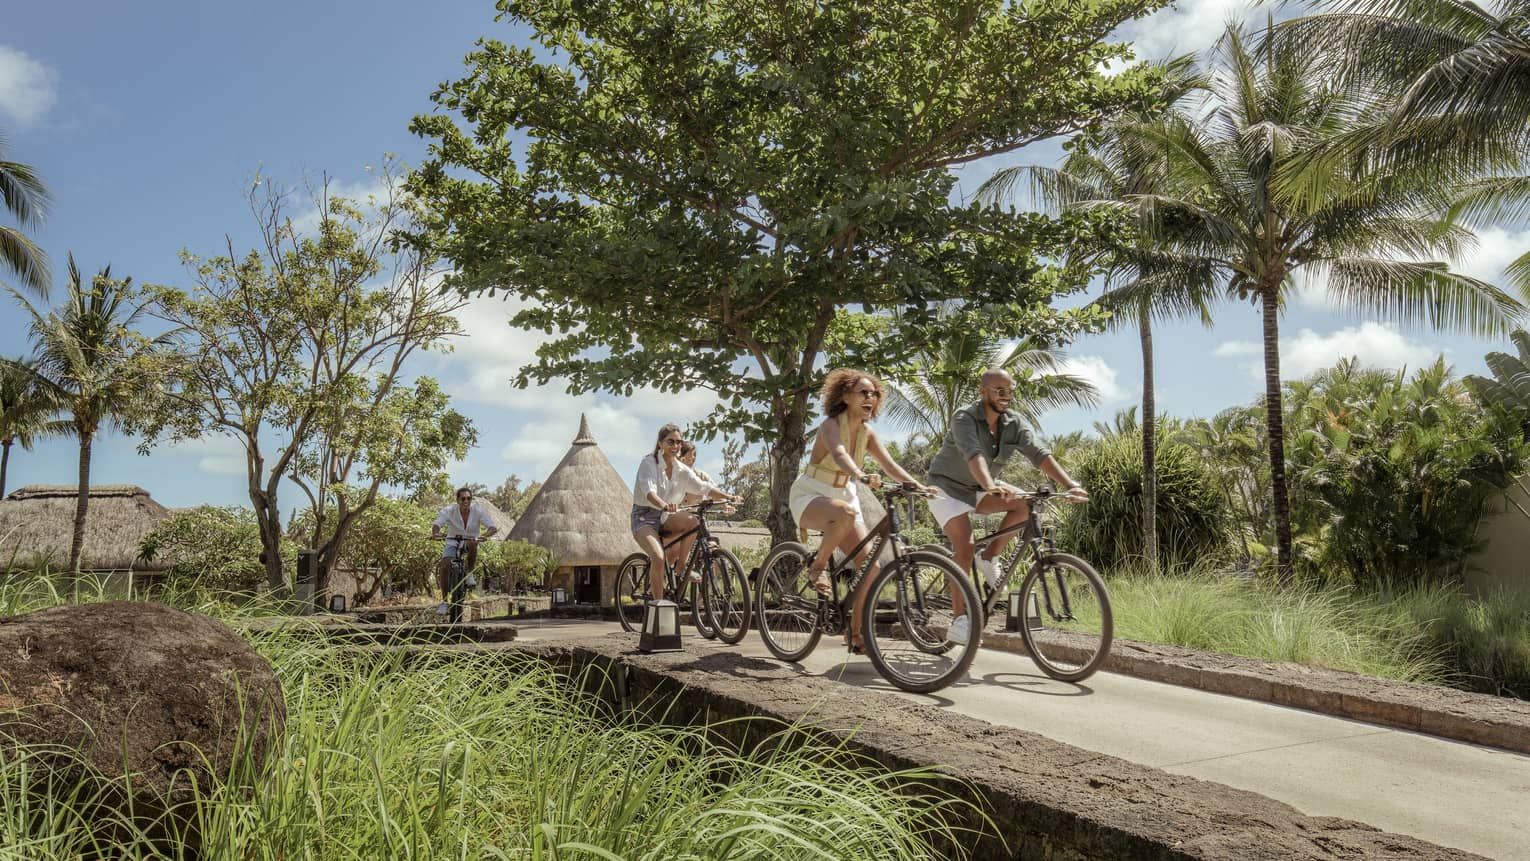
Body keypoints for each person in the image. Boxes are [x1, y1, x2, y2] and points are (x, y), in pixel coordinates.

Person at [926, 368, 1088, 642]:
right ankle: (959, 619)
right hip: (946, 488)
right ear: (983, 391)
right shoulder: (964, 417)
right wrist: (991, 484)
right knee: (964, 546)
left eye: (1010, 391)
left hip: (981, 487)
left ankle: (989, 556)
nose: (1006, 396)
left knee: (1027, 505)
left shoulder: (1014, 422)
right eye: (999, 391)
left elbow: (1039, 454)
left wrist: (1070, 484)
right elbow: (973, 455)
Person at [789, 368, 933, 653]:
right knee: (844, 513)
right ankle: (818, 568)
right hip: (812, 494)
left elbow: (890, 465)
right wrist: (860, 474)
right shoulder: (831, 425)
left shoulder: (867, 433)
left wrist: (919, 486)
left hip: (844, 496)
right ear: (844, 396)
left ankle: (854, 635)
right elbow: (840, 454)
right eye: (863, 392)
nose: (871, 397)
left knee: (871, 568)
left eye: (874, 393)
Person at [630, 423, 740, 600]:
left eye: (679, 442)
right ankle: (659, 606)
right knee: (658, 557)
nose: (675, 446)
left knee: (693, 522)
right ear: (660, 443)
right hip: (645, 516)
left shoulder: (682, 470)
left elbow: (703, 487)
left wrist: (728, 496)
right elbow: (649, 492)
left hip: (666, 515)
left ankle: (681, 567)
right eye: (670, 441)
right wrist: (664, 504)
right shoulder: (649, 463)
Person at [430, 486, 498, 614]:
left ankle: (469, 574)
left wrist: (484, 535)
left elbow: (492, 527)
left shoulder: (478, 511)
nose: (466, 501)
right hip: (452, 541)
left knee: (473, 543)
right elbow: (437, 524)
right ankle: (445, 602)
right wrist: (435, 533)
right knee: (444, 566)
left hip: (470, 542)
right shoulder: (449, 510)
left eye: (469, 498)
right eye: (463, 499)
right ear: (457, 500)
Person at [678, 441, 713, 506]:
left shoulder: (702, 476)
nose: (692, 457)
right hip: (675, 515)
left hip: (697, 515)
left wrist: (725, 505)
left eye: (694, 454)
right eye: (689, 455)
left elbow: (713, 492)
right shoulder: (672, 475)